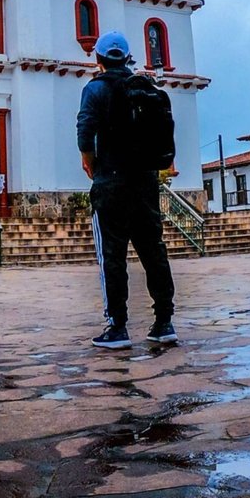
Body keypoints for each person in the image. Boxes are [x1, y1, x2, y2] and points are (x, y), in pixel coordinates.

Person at [77, 31, 175, 350]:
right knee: (153, 251)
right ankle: (164, 321)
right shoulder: (146, 89)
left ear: (99, 59)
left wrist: (90, 162)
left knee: (113, 256)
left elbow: (85, 131)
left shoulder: (95, 89)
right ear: (128, 57)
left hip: (111, 182)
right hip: (145, 182)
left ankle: (117, 327)